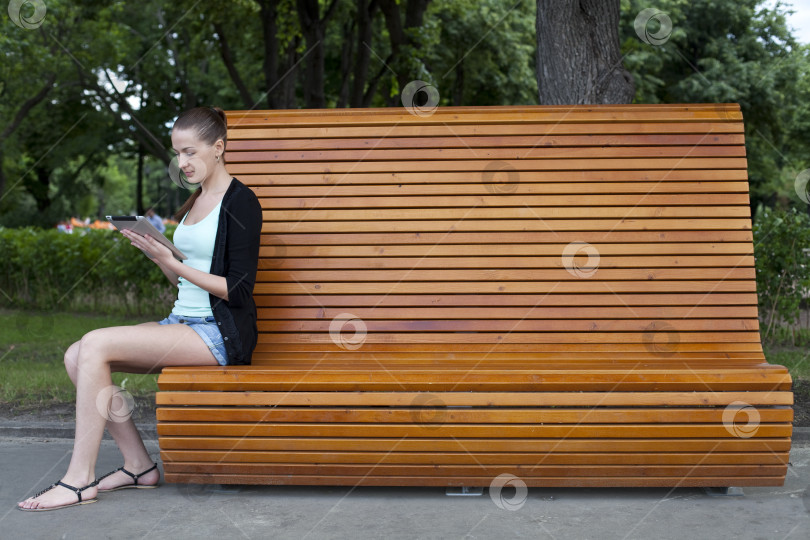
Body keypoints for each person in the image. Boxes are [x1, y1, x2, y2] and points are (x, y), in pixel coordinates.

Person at [17, 106, 263, 511]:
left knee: (95, 342)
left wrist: (174, 263)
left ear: (218, 148)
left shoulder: (242, 203)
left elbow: (238, 290)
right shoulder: (195, 201)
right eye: (177, 154)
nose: (182, 163)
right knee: (77, 354)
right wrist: (162, 260)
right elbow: (184, 281)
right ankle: (138, 465)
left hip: (219, 334)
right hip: (182, 321)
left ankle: (78, 480)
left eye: (190, 152)